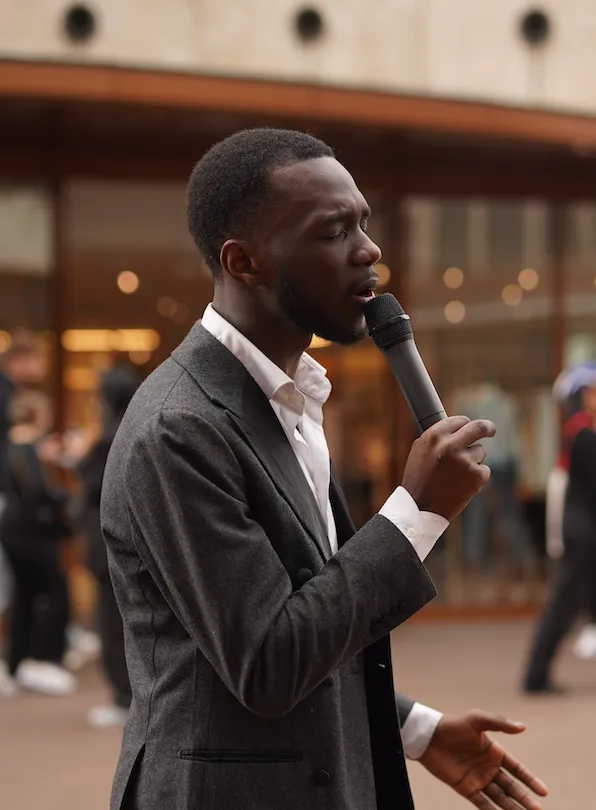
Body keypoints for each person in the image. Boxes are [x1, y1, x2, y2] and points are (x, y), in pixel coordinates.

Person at [102, 129, 548, 810]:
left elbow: (312, 612)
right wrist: (415, 511)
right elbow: (267, 661)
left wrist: (415, 729)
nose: (368, 249)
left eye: (363, 223)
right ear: (244, 261)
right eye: (334, 231)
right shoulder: (179, 428)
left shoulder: (294, 397)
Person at [74, 366, 139, 726]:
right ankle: (123, 695)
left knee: (112, 622)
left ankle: (122, 696)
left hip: (108, 545)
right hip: (120, 543)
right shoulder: (132, 425)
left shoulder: (110, 436)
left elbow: (94, 485)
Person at [0, 389, 75, 695]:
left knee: (24, 597)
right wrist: (65, 503)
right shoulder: (25, 447)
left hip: (15, 531)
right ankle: (43, 659)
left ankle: (17, 662)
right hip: (31, 533)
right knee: (56, 591)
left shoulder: (12, 446)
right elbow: (36, 493)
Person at [523, 384, 596, 691]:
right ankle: (535, 675)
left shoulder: (583, 431)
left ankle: (537, 674)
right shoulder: (582, 433)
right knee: (562, 606)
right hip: (583, 534)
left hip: (585, 531)